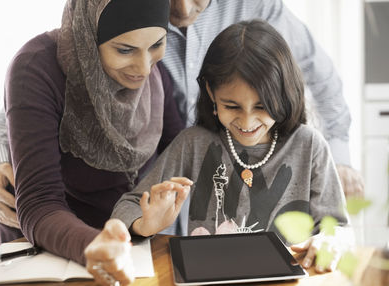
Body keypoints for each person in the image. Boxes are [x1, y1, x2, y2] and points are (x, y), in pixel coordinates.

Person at [0, 0, 363, 242]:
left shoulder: (255, 9)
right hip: (69, 233)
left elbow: (321, 79)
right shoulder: (114, 20)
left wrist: (339, 160)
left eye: (156, 47)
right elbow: (29, 101)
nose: (182, 8)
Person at [87, 20, 353, 280]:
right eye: (232, 106)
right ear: (211, 93)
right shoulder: (194, 143)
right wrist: (146, 223)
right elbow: (127, 206)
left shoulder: (309, 144)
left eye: (262, 107)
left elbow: (338, 227)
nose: (247, 122)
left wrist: (329, 241)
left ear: (283, 95)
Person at [0, 0, 182, 282]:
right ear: (89, 34)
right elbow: (39, 201)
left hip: (130, 249)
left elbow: (178, 155)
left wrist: (140, 221)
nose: (145, 68)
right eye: (125, 50)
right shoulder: (36, 68)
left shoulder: (159, 76)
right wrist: (95, 244)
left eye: (156, 45)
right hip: (50, 250)